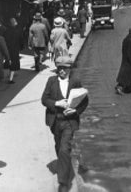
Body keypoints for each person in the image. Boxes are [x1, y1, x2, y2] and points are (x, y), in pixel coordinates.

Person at [41, 57, 89, 192]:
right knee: (59, 147)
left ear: (70, 69)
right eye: (60, 68)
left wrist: (75, 110)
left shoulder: (75, 82)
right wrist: (57, 103)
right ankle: (67, 163)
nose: (62, 71)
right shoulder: (51, 81)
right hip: (55, 121)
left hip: (69, 121)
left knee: (63, 148)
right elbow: (44, 99)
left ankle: (63, 182)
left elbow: (85, 101)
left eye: (65, 68)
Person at [115, 27, 131, 95]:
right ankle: (119, 88)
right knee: (126, 76)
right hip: (129, 62)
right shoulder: (130, 40)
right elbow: (130, 52)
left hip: (126, 60)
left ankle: (128, 87)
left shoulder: (126, 39)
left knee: (127, 76)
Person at [3, 17, 24, 84]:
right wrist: (21, 47)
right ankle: (10, 79)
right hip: (15, 49)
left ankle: (7, 75)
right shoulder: (18, 31)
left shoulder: (6, 31)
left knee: (8, 61)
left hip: (7, 49)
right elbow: (21, 40)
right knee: (13, 64)